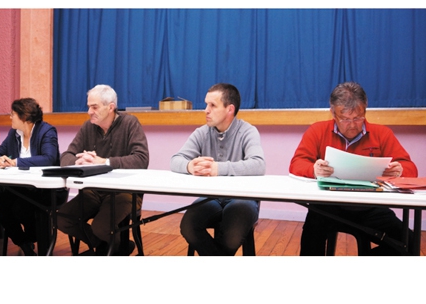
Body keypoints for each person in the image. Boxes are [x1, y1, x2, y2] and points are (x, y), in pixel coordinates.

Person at [289, 81, 418, 256]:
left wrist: (400, 170)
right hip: (328, 205)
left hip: (370, 206)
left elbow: (411, 168)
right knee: (312, 234)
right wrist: (314, 169)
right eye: (345, 119)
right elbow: (297, 163)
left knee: (410, 243)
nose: (352, 124)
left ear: (365, 110)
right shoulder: (317, 131)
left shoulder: (381, 134)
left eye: (358, 118)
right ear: (333, 113)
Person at [170, 83, 266, 256]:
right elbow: (176, 160)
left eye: (212, 105)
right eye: (206, 104)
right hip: (211, 198)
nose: (206, 110)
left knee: (231, 236)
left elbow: (258, 164)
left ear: (230, 109)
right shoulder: (202, 132)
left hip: (242, 197)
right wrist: (189, 166)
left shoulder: (247, 131)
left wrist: (217, 169)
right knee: (188, 225)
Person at [57, 84, 149, 255]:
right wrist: (79, 161)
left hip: (125, 192)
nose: (89, 112)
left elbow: (141, 159)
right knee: (62, 219)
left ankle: (109, 250)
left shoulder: (130, 123)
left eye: (94, 107)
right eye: (88, 107)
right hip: (94, 191)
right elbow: (66, 155)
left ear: (110, 107)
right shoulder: (88, 127)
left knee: (101, 226)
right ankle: (111, 248)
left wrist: (104, 162)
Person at [0, 98, 68, 256]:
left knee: (21, 208)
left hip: (46, 189)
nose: (10, 117)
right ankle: (24, 244)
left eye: (13, 114)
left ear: (24, 117)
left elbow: (49, 158)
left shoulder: (46, 131)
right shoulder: (14, 133)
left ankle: (35, 240)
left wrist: (16, 162)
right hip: (21, 187)